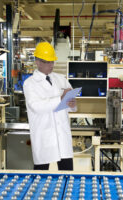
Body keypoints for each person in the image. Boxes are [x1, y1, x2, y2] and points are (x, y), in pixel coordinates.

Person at [23, 42, 77, 170]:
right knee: (40, 176)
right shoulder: (29, 84)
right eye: (47, 62)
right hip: (44, 136)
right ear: (38, 62)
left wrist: (73, 104)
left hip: (62, 135)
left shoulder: (61, 79)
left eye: (52, 62)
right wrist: (60, 98)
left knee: (67, 174)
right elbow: (36, 106)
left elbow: (71, 107)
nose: (51, 65)